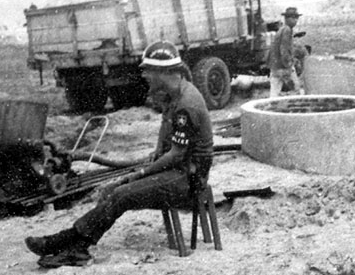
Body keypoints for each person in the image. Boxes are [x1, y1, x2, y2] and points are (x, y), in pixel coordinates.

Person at [24, 41, 214, 268]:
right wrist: (156, 152)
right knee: (112, 190)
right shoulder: (174, 93)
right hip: (177, 170)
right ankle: (71, 243)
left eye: (147, 70)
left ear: (162, 72)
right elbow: (166, 129)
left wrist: (140, 173)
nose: (144, 75)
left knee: (121, 194)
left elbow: (175, 155)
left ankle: (70, 246)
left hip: (189, 180)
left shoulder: (187, 104)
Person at [268, 7, 304, 97]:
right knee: (296, 90)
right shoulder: (287, 30)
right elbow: (284, 50)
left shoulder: (282, 29)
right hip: (283, 67)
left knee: (274, 93)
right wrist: (289, 64)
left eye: (296, 18)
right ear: (287, 19)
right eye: (294, 18)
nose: (296, 21)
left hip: (275, 66)